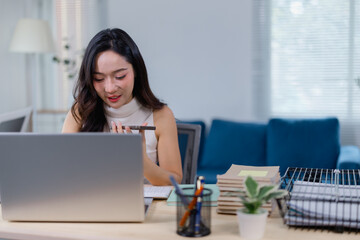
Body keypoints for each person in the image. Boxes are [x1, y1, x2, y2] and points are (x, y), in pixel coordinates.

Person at [62, 28, 182, 185]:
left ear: (136, 71)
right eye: (98, 79)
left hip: (141, 206)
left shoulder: (161, 115)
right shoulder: (80, 111)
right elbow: (62, 171)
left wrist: (141, 160)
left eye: (120, 76)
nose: (110, 88)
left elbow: (175, 181)